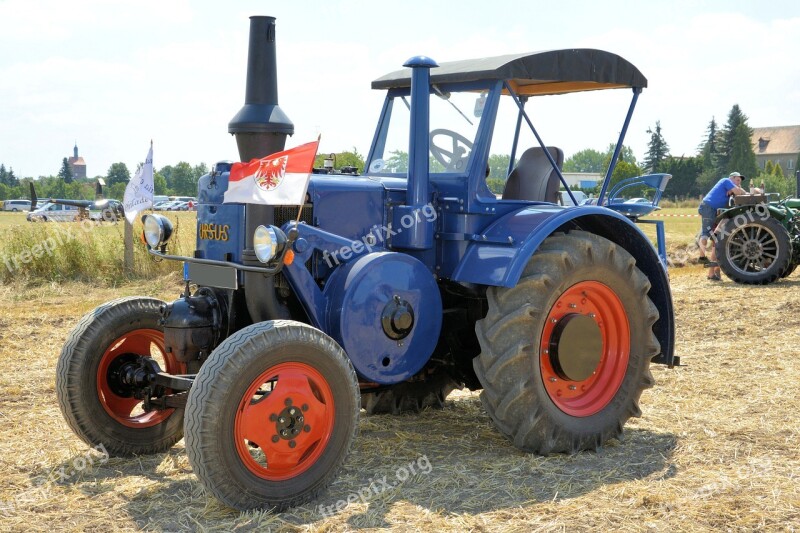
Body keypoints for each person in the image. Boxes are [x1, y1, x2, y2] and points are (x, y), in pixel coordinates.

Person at [697, 171, 758, 280]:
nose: (739, 182)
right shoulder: (725, 181)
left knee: (715, 240)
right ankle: (702, 257)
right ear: (732, 178)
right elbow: (741, 193)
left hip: (715, 211)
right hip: (708, 208)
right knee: (706, 234)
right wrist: (737, 190)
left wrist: (737, 190)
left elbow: (741, 193)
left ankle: (714, 271)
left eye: (740, 181)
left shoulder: (730, 189)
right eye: (738, 180)